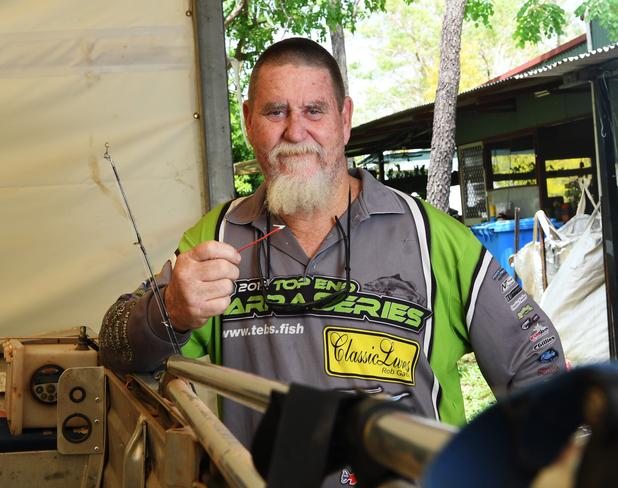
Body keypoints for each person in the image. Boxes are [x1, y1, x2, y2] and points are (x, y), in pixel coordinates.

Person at [99, 37, 565, 481]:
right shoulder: (215, 239)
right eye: (275, 111)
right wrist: (174, 313)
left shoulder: (432, 237)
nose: (294, 131)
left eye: (314, 111)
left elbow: (537, 363)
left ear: (344, 119)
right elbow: (114, 345)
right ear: (247, 121)